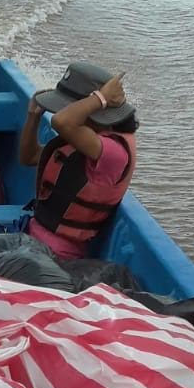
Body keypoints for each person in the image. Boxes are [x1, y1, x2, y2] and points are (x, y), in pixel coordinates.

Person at [19, 60, 138, 259]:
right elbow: (28, 157)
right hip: (29, 236)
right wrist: (33, 116)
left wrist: (101, 97)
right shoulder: (84, 139)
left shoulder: (113, 152)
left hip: (55, 256)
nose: (60, 111)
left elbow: (61, 122)